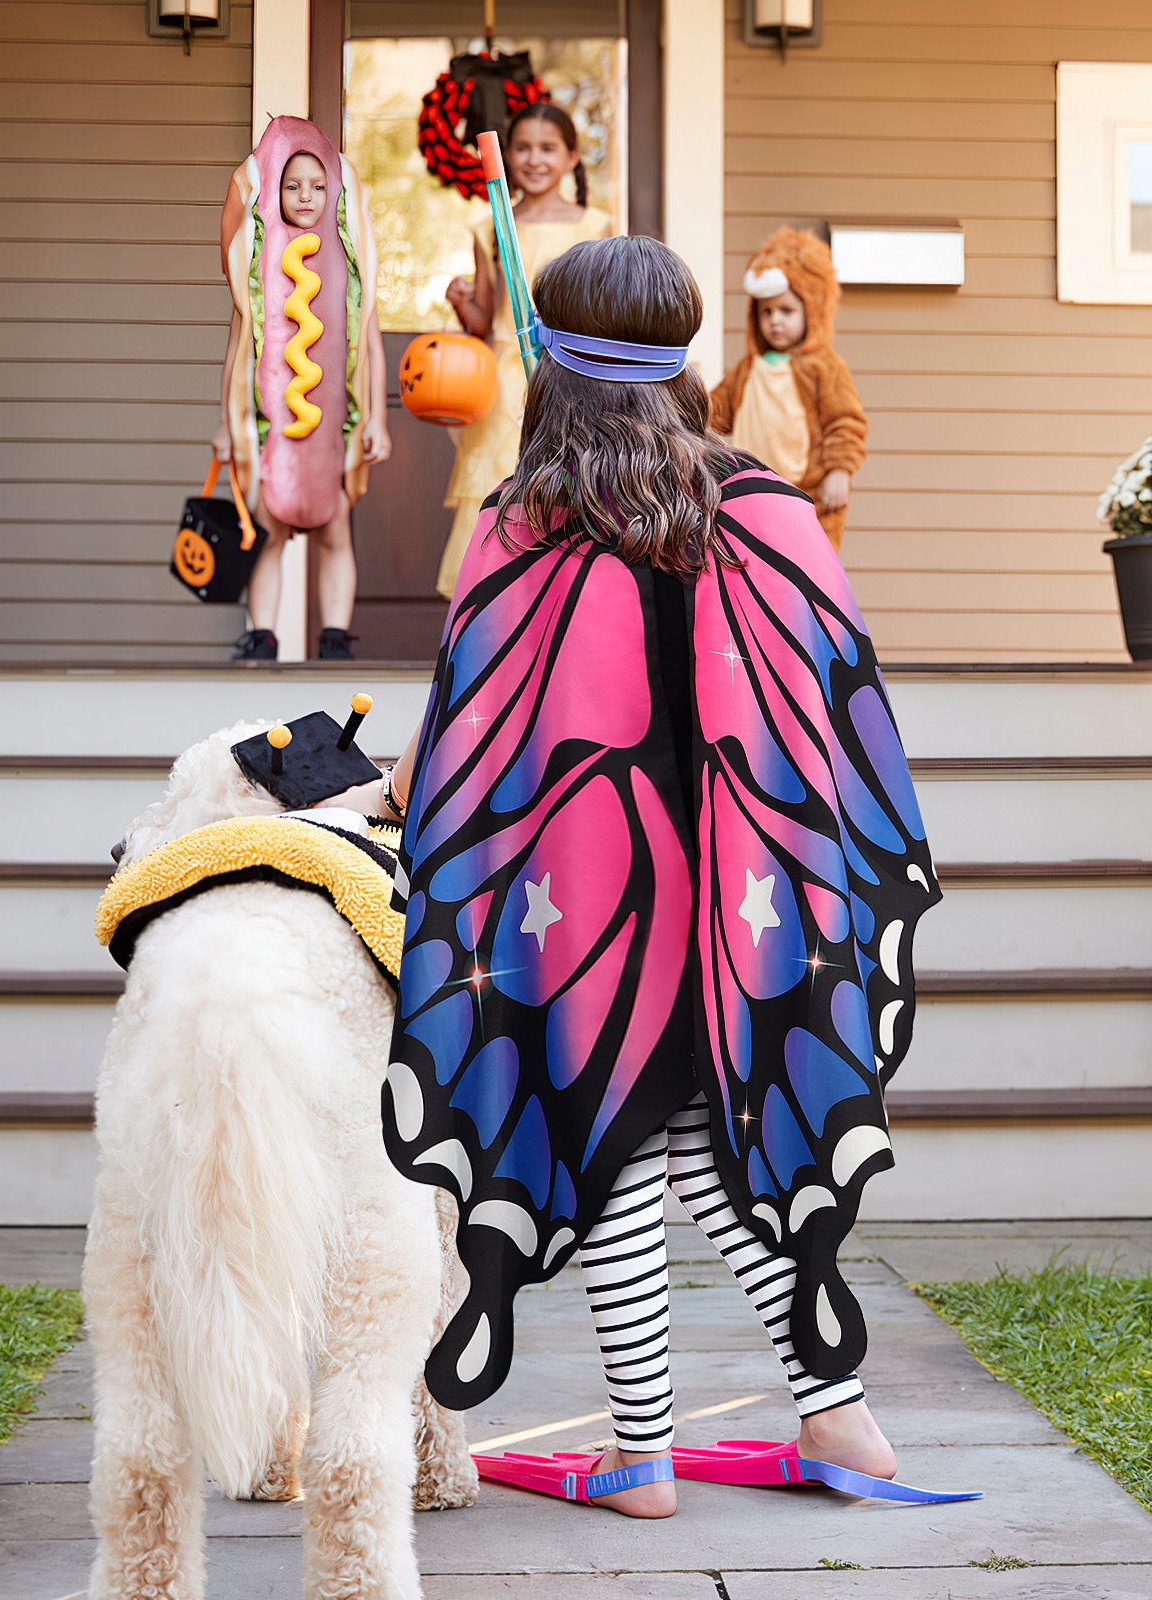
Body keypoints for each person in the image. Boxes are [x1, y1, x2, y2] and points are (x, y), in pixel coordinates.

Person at [340, 236, 940, 1518]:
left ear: (552, 369)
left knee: (615, 1148)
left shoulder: (524, 522)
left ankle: (647, 1455)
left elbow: (468, 731)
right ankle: (831, 1416)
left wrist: (386, 798)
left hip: (592, 915)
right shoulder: (767, 505)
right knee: (717, 1150)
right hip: (750, 905)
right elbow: (837, 716)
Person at [214, 140, 391, 661]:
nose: (306, 196)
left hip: (332, 426)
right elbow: (235, 351)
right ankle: (262, 636)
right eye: (292, 186)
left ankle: (335, 636)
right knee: (268, 529)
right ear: (275, 193)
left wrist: (378, 419)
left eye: (318, 187)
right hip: (272, 421)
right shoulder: (257, 266)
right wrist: (225, 425)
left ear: (334, 194)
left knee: (335, 529)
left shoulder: (353, 267)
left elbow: (373, 347)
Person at [436, 102, 611, 599]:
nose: (535, 159)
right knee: (495, 485)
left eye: (548, 148)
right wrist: (460, 305)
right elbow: (483, 321)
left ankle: (558, 599)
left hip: (569, 379)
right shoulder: (491, 224)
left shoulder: (595, 225)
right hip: (501, 385)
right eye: (523, 148)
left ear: (572, 157)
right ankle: (487, 606)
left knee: (564, 489)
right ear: (507, 157)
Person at [708, 226, 866, 550]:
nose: (775, 321)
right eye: (766, 312)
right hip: (751, 493)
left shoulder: (823, 365)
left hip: (807, 494)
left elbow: (845, 421)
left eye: (786, 311)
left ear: (811, 310)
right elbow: (716, 410)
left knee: (809, 569)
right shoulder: (749, 368)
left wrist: (839, 472)